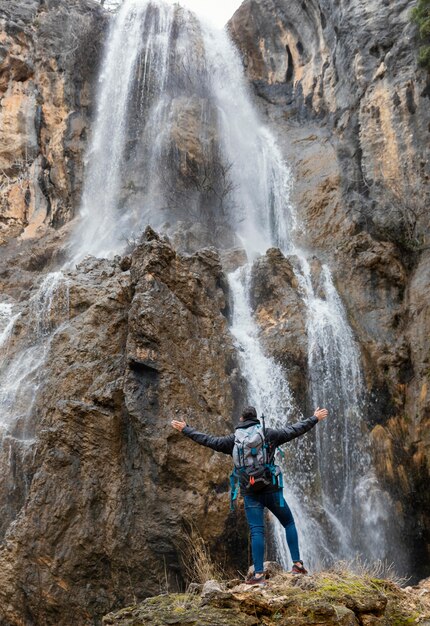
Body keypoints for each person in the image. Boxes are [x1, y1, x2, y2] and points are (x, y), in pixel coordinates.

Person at [171, 405, 328, 584]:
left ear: (241, 420)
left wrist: (186, 429)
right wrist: (314, 418)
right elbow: (294, 430)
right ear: (256, 419)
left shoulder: (233, 440)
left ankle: (259, 575)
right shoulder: (268, 434)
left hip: (250, 493)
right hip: (271, 490)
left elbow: (209, 441)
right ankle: (297, 565)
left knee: (256, 532)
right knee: (289, 522)